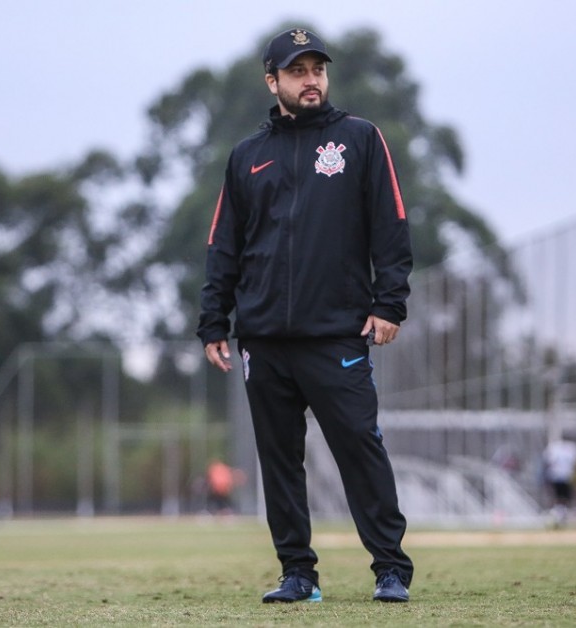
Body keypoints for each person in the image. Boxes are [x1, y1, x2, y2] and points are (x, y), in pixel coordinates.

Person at [197, 27, 414, 603]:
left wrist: (390, 303)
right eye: (297, 71)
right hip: (263, 339)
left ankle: (390, 569)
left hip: (336, 333)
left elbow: (390, 226)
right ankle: (298, 574)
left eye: (318, 68)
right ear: (273, 81)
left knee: (359, 450)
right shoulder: (247, 156)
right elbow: (224, 245)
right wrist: (214, 320)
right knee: (279, 462)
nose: (311, 79)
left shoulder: (360, 139)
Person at [542, 438, 576, 528]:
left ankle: (559, 516)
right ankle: (559, 516)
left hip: (558, 477)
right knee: (562, 499)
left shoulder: (553, 448)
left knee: (560, 498)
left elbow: (547, 464)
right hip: (564, 477)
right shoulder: (572, 448)